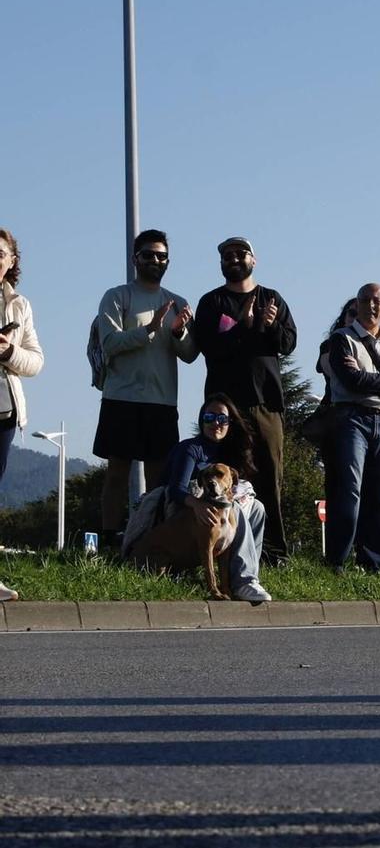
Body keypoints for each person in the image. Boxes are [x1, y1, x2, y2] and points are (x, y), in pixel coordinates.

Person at [190, 237, 298, 564]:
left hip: (266, 403)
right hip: (225, 409)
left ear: (254, 259)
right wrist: (248, 328)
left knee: (270, 477)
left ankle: (274, 551)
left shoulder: (272, 298)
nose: (234, 259)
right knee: (223, 479)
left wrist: (269, 324)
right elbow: (210, 346)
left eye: (240, 254)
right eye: (227, 255)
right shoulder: (212, 302)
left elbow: (289, 343)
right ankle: (227, 548)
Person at [92, 229, 201, 544]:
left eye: (161, 255)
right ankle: (109, 538)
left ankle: (152, 537)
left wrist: (179, 332)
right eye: (148, 255)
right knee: (116, 474)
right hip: (120, 398)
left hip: (162, 402)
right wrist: (150, 330)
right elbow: (109, 342)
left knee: (158, 478)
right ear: (135, 258)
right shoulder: (116, 296)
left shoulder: (178, 302)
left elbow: (191, 355)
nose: (155, 260)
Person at [319, 284, 380, 572]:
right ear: (356, 305)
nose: (372, 306)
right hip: (351, 419)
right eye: (365, 300)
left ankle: (373, 563)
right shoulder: (341, 339)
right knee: (349, 491)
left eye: (378, 301)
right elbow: (350, 381)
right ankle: (337, 560)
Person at [158, 395, 271, 602]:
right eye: (209, 417)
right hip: (183, 510)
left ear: (230, 423)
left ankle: (244, 576)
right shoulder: (191, 448)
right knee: (232, 507)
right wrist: (197, 505)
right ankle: (244, 581)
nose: (215, 423)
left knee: (257, 507)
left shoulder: (231, 450)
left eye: (222, 419)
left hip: (218, 511)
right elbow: (176, 489)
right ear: (201, 420)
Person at [0, 228, 43, 603]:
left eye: (1, 253)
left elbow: (35, 360)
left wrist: (7, 352)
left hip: (5, 411)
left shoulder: (19, 305)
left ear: (12, 261)